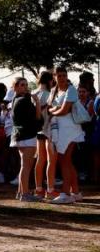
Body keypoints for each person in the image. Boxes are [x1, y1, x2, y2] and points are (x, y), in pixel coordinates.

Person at [46, 66, 83, 204]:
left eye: (64, 75)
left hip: (70, 130)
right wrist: (55, 110)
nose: (62, 78)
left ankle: (66, 193)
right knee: (66, 160)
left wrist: (53, 111)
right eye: (59, 75)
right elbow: (52, 107)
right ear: (55, 77)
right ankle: (76, 192)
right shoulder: (55, 90)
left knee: (64, 160)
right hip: (60, 130)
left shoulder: (71, 89)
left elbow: (64, 110)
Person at [10, 77, 41, 202]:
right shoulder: (24, 100)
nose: (25, 87)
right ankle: (25, 193)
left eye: (26, 85)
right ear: (16, 87)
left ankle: (20, 192)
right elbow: (37, 118)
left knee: (24, 165)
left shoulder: (15, 99)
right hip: (27, 135)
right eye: (22, 85)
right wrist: (37, 102)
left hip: (18, 135)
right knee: (26, 166)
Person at [32, 71, 54, 199]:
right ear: (49, 80)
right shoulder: (49, 94)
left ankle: (39, 189)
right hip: (49, 129)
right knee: (51, 160)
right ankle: (50, 190)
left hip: (37, 130)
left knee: (40, 159)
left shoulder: (33, 93)